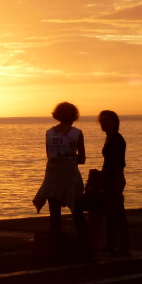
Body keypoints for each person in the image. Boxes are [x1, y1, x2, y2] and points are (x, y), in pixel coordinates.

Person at [33, 102, 90, 259]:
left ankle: (55, 249)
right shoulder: (77, 133)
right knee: (77, 212)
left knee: (55, 214)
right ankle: (85, 247)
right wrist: (71, 157)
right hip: (70, 175)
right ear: (74, 116)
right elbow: (82, 159)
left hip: (52, 175)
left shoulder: (49, 133)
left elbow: (50, 155)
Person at [98, 110, 129, 255]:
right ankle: (112, 244)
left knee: (117, 213)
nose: (103, 123)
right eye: (102, 120)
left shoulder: (116, 139)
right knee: (110, 213)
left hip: (114, 178)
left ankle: (123, 247)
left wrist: (114, 182)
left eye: (106, 120)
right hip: (109, 178)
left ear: (114, 122)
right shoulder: (110, 137)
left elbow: (118, 163)